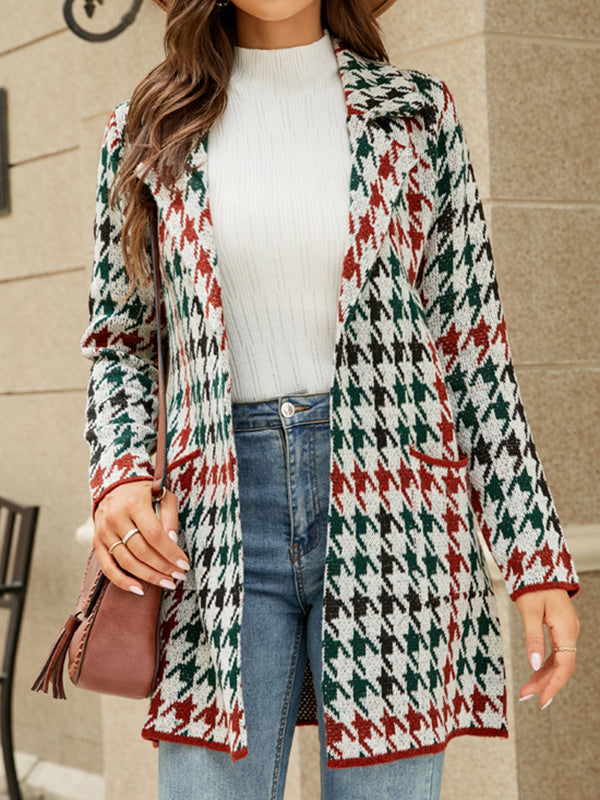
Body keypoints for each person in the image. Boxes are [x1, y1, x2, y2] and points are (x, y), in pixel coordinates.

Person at [81, 1, 581, 798]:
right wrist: (119, 475)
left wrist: (534, 559)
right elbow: (121, 342)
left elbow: (472, 348)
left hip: (397, 511)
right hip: (215, 520)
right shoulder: (145, 128)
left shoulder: (417, 113)